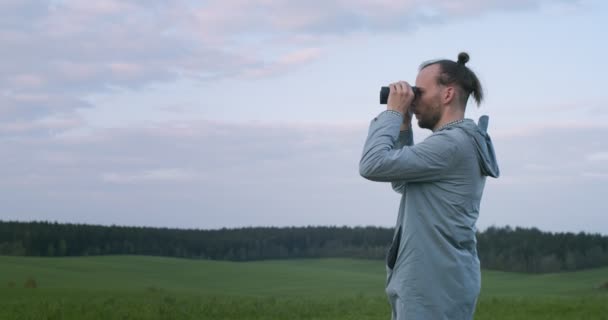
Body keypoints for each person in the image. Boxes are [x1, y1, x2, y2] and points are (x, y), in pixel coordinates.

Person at [359, 52, 500, 320]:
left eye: (419, 92)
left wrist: (391, 113)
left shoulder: (452, 144)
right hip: (434, 282)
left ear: (447, 95)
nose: (412, 100)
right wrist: (402, 126)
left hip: (433, 287)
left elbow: (372, 164)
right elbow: (402, 182)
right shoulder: (456, 142)